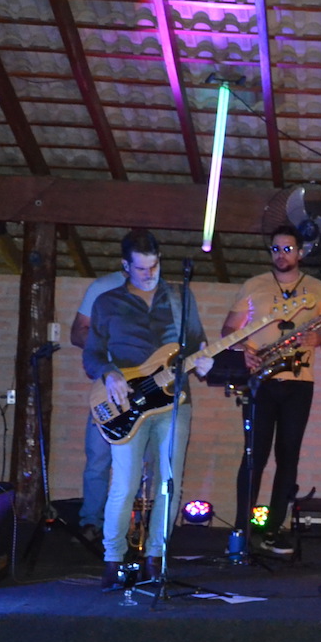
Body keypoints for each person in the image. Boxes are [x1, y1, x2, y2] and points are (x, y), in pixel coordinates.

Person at [83, 229, 213, 589]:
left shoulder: (180, 297)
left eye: (154, 266)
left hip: (174, 400)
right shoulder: (107, 302)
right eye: (140, 268)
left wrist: (205, 361)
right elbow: (92, 353)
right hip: (126, 402)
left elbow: (196, 342)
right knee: (124, 484)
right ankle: (113, 560)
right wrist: (109, 373)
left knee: (169, 484)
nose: (149, 274)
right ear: (125, 266)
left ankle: (156, 558)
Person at [220, 225, 321, 556]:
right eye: (275, 249)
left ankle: (273, 530)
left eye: (288, 249)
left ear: (301, 252)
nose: (281, 255)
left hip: (299, 383)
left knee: (288, 457)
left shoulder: (317, 289)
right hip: (259, 380)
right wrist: (242, 349)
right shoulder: (253, 285)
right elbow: (228, 330)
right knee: (253, 456)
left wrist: (320, 338)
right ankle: (242, 532)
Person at [70, 268, 126, 543]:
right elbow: (77, 333)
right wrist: (102, 350)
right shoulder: (104, 286)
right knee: (98, 457)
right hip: (108, 381)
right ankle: (91, 522)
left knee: (143, 463)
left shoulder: (161, 291)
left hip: (146, 386)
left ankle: (132, 526)